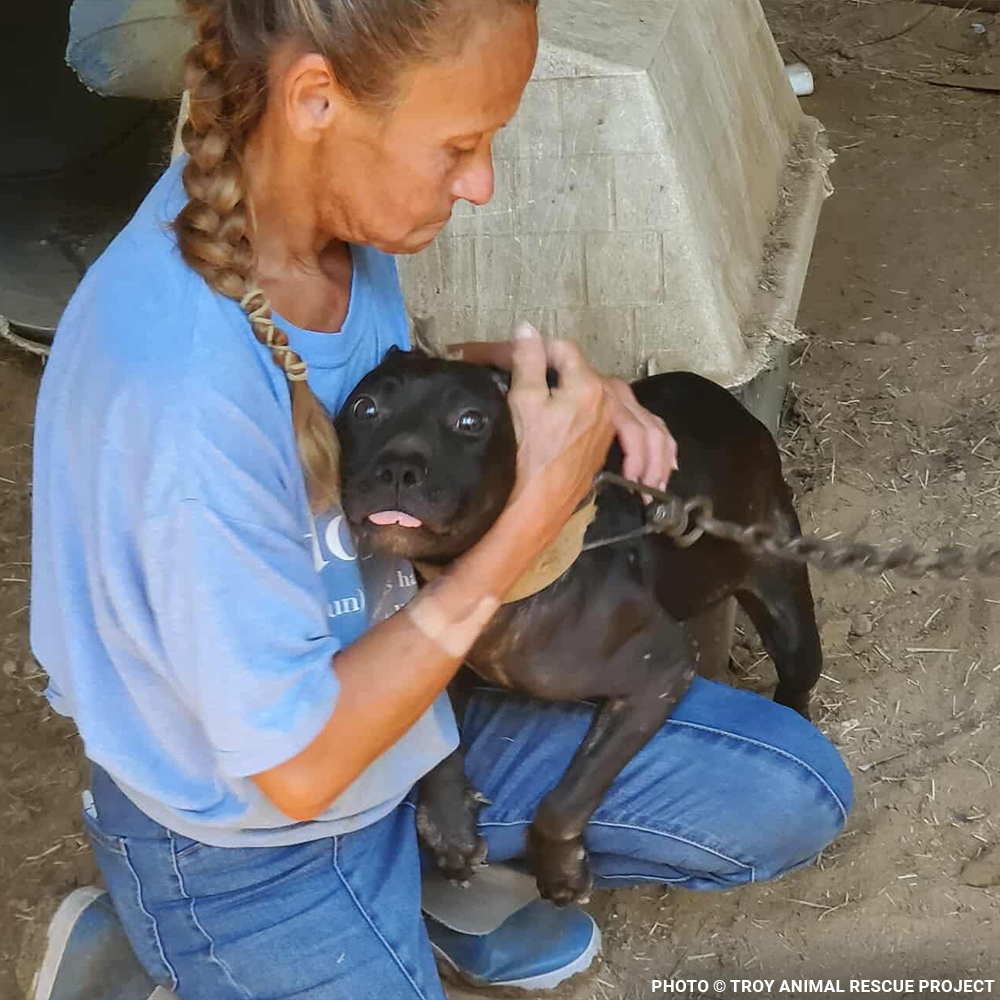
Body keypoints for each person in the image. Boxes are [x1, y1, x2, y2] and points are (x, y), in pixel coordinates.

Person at [29, 1, 853, 998]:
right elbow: (296, 766)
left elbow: (352, 386)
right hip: (248, 837)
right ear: (316, 100)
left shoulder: (320, 227)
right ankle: (154, 939)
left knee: (789, 791)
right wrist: (524, 524)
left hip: (407, 728)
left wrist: (514, 388)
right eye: (459, 145)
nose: (481, 183)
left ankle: (410, 868)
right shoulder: (179, 388)